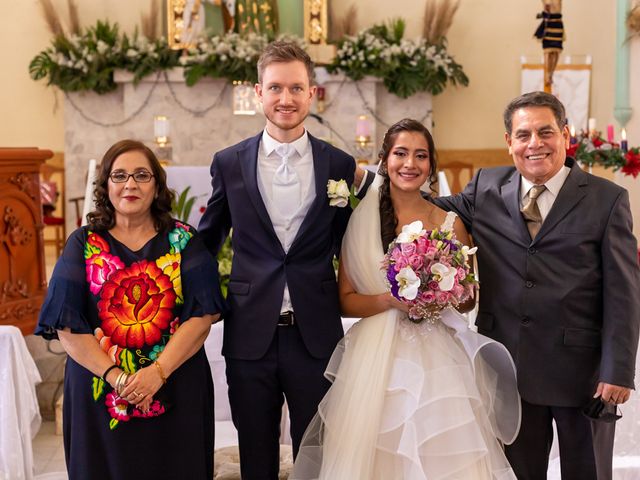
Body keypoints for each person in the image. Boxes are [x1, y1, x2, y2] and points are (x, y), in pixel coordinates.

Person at [291, 118, 521, 479]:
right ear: (385, 160)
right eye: (401, 153)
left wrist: (449, 292)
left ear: (431, 165)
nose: (410, 164)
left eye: (420, 155)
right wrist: (391, 301)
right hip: (374, 361)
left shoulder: (449, 222)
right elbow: (346, 300)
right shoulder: (360, 219)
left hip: (439, 359)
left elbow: (467, 302)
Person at [434, 91, 640, 479]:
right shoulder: (485, 187)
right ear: (509, 142)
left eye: (545, 132)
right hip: (509, 368)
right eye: (523, 134)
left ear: (565, 135)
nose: (535, 143)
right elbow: (430, 206)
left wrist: (618, 369)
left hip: (582, 372)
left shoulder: (607, 199)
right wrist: (372, 181)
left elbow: (623, 292)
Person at [198, 41, 370, 479]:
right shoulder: (230, 163)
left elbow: (353, 237)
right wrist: (204, 304)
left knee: (315, 453)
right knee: (255, 452)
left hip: (315, 333)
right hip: (249, 332)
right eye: (275, 88)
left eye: (296, 88)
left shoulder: (338, 163)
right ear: (258, 93)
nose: (285, 99)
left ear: (312, 93)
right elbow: (207, 242)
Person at [35, 140, 226, 479]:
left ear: (157, 185)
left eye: (142, 175)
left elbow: (202, 317)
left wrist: (158, 372)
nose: (130, 184)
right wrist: (117, 377)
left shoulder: (184, 241)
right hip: (101, 390)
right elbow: (67, 324)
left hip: (175, 386)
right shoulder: (83, 242)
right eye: (119, 175)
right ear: (106, 184)